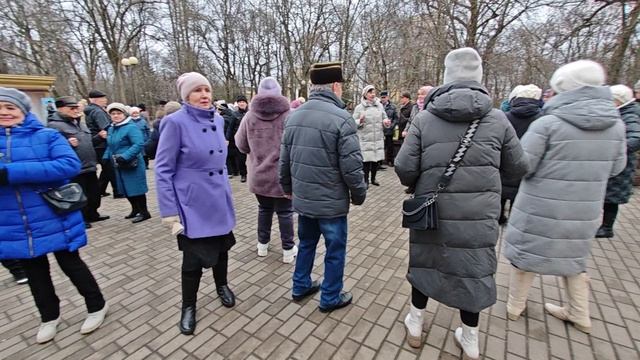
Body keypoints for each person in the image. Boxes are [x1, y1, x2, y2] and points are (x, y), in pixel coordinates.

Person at [394, 48, 528, 358]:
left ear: (446, 78)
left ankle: (415, 324)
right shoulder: (498, 119)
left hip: (433, 213)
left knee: (426, 264)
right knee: (473, 271)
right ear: (478, 78)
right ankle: (470, 340)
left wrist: (417, 182)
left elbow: (403, 166)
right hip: (479, 216)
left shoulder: (426, 119)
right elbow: (519, 166)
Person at [504, 60, 626, 335]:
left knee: (526, 257)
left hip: (540, 205)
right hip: (585, 208)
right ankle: (580, 314)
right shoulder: (615, 125)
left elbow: (523, 165)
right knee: (575, 260)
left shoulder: (549, 124)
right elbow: (617, 168)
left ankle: (515, 307)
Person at [0, 87, 108, 344]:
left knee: (72, 264)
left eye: (10, 107)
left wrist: (12, 173)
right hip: (14, 221)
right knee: (36, 274)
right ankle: (49, 316)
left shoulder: (47, 135)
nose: (4, 112)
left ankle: (96, 305)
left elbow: (68, 165)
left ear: (23, 111)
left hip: (52, 212)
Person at [280, 62, 366, 313]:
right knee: (335, 250)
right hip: (331, 203)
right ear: (336, 86)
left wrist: (286, 188)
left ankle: (300, 286)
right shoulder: (342, 119)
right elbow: (352, 167)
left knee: (306, 243)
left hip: (304, 199)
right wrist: (359, 195)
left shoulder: (294, 116)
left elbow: (284, 159)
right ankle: (329, 297)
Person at [155, 72, 237, 335]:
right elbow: (163, 170)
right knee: (192, 261)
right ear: (186, 95)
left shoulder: (218, 118)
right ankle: (188, 306)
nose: (204, 95)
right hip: (192, 204)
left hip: (218, 198)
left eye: (207, 90)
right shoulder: (174, 122)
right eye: (197, 91)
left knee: (222, 249)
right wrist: (169, 211)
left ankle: (222, 285)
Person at [235, 77, 298, 263]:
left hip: (259, 175)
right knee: (285, 212)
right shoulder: (290, 115)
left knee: (264, 209)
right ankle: (288, 250)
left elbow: (241, 145)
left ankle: (262, 245)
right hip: (283, 175)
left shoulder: (249, 116)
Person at [48, 96, 109, 228]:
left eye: (76, 107)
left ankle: (93, 214)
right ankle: (82, 219)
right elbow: (51, 147)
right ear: (60, 109)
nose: (76, 110)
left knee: (94, 194)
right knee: (80, 195)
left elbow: (88, 142)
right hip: (75, 168)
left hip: (90, 166)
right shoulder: (54, 126)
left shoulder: (79, 122)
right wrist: (67, 143)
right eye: (72, 108)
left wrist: (99, 137)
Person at [595, 85, 640, 237]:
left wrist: (616, 149)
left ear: (618, 100)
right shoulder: (622, 113)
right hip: (614, 161)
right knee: (608, 195)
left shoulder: (629, 115)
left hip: (621, 164)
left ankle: (607, 228)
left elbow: (636, 138)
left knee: (611, 198)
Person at [499, 84, 543, 224]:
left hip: (504, 159)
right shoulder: (543, 120)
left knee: (501, 190)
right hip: (528, 163)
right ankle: (514, 218)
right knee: (519, 192)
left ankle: (499, 216)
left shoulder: (504, 117)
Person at [104, 103, 151, 223]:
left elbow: (138, 144)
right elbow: (110, 145)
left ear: (124, 114)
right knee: (125, 188)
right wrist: (106, 157)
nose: (116, 116)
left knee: (136, 189)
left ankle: (144, 212)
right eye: (113, 114)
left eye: (118, 113)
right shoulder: (112, 128)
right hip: (119, 164)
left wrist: (125, 156)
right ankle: (135, 209)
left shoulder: (131, 127)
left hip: (132, 163)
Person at [353, 85, 389, 187]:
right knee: (366, 161)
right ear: (365, 94)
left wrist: (386, 122)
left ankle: (373, 179)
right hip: (365, 138)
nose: (372, 94)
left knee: (376, 160)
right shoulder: (359, 107)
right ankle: (365, 181)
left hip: (377, 137)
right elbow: (353, 122)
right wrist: (359, 121)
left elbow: (384, 117)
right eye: (370, 92)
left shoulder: (379, 106)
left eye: (373, 92)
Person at [84, 90, 116, 197]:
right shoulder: (98, 112)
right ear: (96, 100)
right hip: (102, 144)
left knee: (106, 169)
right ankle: (117, 191)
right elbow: (106, 127)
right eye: (103, 98)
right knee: (110, 168)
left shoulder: (90, 110)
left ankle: (100, 189)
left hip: (96, 143)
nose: (105, 100)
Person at [226, 96, 249, 182]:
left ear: (246, 103)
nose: (242, 103)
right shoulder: (234, 115)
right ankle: (243, 174)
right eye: (240, 102)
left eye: (243, 102)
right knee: (241, 158)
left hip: (250, 139)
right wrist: (227, 138)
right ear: (238, 104)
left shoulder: (250, 113)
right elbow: (230, 128)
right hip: (240, 139)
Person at [380, 90, 399, 167]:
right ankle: (379, 162)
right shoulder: (378, 106)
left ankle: (390, 161)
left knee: (389, 146)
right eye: (381, 97)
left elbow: (396, 118)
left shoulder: (393, 107)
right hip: (380, 130)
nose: (383, 99)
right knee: (381, 146)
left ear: (387, 97)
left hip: (389, 130)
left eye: (384, 97)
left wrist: (392, 126)